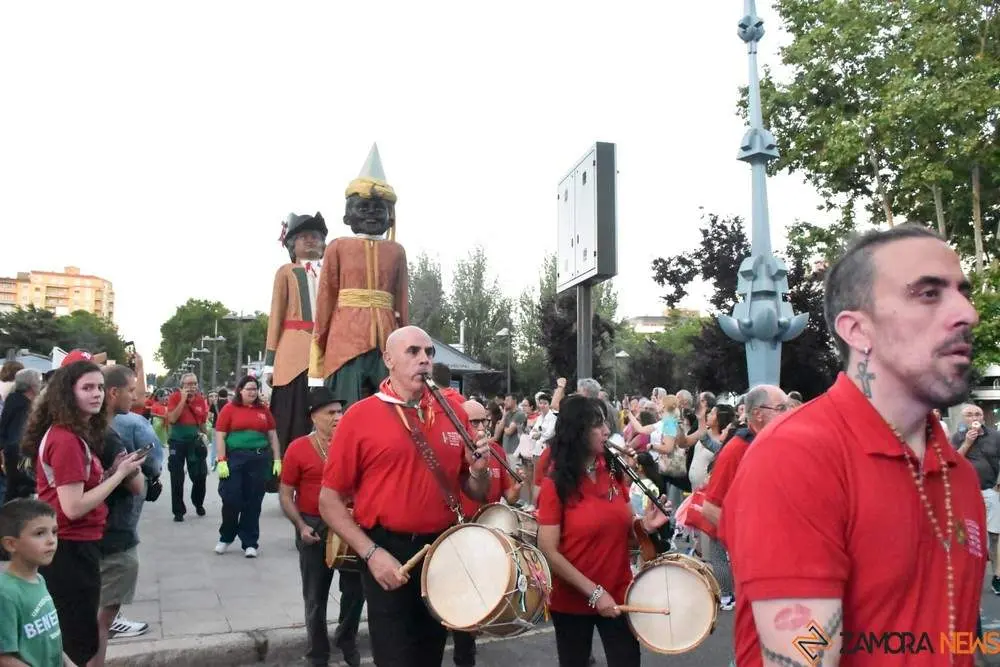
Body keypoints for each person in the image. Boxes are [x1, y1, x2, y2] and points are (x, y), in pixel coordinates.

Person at [722, 224, 984, 666]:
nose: (967, 313)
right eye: (928, 293)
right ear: (857, 330)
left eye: (963, 292)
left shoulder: (958, 472)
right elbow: (802, 658)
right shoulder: (796, 458)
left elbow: (954, 639)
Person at [318, 325, 491, 667]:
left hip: (441, 549)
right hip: (386, 549)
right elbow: (329, 500)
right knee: (395, 656)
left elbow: (473, 491)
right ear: (389, 360)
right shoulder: (359, 416)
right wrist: (371, 553)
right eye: (413, 352)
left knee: (430, 654)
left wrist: (479, 471)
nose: (424, 360)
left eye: (429, 353)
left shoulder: (454, 413)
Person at [20, 359, 146, 666]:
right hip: (70, 547)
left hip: (74, 544)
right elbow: (73, 507)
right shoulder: (65, 439)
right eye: (87, 388)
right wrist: (120, 474)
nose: (97, 394)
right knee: (80, 642)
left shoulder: (72, 434)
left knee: (77, 636)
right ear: (68, 393)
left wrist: (111, 472)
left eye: (100, 387)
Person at [537, 394, 671, 667]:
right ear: (578, 431)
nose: (608, 431)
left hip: (619, 590)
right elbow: (548, 549)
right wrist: (595, 593)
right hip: (572, 600)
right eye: (598, 425)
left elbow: (626, 528)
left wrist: (644, 525)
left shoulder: (612, 469)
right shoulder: (556, 482)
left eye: (606, 423)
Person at [308, 144, 409, 407]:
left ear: (390, 216)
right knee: (347, 407)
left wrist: (406, 343)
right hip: (345, 342)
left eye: (379, 208)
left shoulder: (396, 251)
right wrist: (319, 354)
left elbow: (402, 303)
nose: (372, 214)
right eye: (364, 208)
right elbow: (325, 300)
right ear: (349, 214)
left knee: (391, 406)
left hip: (387, 342)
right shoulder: (338, 247)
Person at [279, 388, 364, 667]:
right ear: (314, 417)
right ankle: (318, 652)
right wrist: (301, 526)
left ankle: (346, 639)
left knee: (355, 590)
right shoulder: (298, 448)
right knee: (315, 596)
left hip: (348, 523)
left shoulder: (352, 445)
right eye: (331, 412)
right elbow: (285, 494)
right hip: (312, 525)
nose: (338, 417)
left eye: (341, 411)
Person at [92, 365, 158, 663]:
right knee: (100, 621)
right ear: (113, 393)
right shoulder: (108, 436)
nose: (135, 397)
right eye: (131, 390)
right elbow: (136, 485)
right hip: (112, 533)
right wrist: (132, 468)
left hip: (97, 532)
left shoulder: (89, 431)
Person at [451, 399, 523, 667]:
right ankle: (463, 655)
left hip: (489, 537)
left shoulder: (496, 451)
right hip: (457, 536)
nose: (482, 427)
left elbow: (509, 496)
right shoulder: (453, 450)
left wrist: (515, 491)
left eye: (484, 421)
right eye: (475, 422)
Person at [266, 212, 329, 455]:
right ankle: (285, 469)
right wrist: (270, 364)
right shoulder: (286, 272)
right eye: (304, 237)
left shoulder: (331, 272)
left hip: (327, 350)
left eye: (315, 236)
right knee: (290, 417)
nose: (311, 240)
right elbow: (275, 317)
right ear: (293, 245)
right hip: (292, 355)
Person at [213, 375, 281, 557]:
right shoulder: (229, 409)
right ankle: (226, 536)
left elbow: (273, 436)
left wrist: (277, 459)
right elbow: (220, 435)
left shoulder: (264, 410)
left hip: (258, 460)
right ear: (240, 391)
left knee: (253, 501)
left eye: (255, 389)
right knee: (231, 499)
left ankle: (250, 542)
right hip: (235, 460)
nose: (252, 392)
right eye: (248, 389)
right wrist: (221, 460)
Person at [0, 499, 70, 667]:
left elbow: (51, 636)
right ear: (11, 544)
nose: (51, 540)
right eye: (40, 533)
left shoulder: (39, 580)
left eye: (54, 532)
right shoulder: (6, 593)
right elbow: (4, 658)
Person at [165, 373, 210, 522]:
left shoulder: (201, 400)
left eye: (194, 384)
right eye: (188, 384)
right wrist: (183, 400)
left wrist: (206, 436)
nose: (192, 387)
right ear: (182, 386)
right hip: (177, 441)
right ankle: (178, 511)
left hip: (194, 442)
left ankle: (198, 502)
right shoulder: (174, 398)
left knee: (200, 475)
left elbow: (202, 422)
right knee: (176, 476)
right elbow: (172, 419)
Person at [2, 368, 43, 503]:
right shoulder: (23, 407)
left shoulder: (12, 400)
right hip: (15, 458)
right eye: (38, 381)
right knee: (14, 496)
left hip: (8, 455)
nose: (40, 384)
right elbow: (17, 437)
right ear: (32, 386)